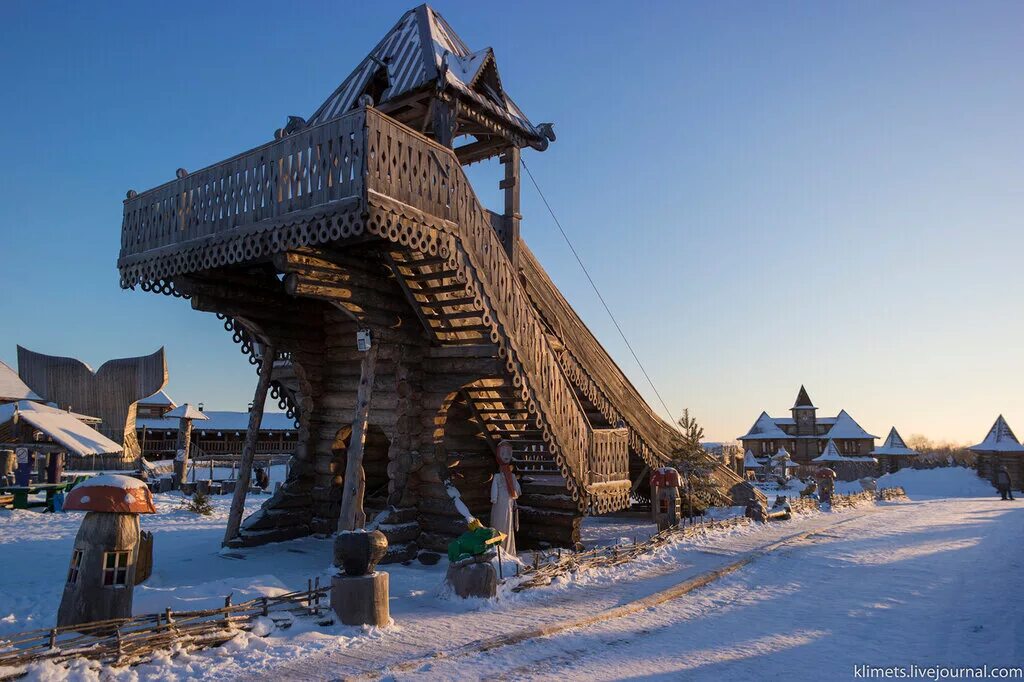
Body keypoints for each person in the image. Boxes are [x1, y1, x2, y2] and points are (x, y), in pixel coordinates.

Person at [490, 440, 521, 556]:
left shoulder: (511, 476)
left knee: (508, 525)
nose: (506, 456)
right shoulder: (497, 477)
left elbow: (517, 490)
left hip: (509, 503)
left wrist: (514, 494)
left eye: (508, 453)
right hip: (499, 504)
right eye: (503, 453)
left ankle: (508, 550)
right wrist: (494, 498)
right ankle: (499, 547)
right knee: (499, 524)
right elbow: (494, 491)